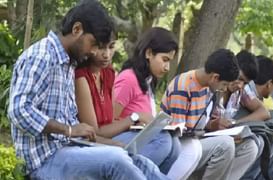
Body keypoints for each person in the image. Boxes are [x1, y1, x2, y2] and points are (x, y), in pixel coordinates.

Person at [7, 1, 167, 179]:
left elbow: (76, 134)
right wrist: (68, 129)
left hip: (69, 149)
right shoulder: (41, 56)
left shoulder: (68, 63)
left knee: (136, 159)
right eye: (93, 44)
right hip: (44, 161)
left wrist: (110, 143)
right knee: (116, 160)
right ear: (77, 29)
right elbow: (19, 111)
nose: (93, 52)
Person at [161, 49, 258, 180]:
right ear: (215, 77)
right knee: (225, 145)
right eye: (224, 84)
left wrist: (213, 126)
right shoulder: (183, 86)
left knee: (249, 145)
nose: (224, 89)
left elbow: (198, 121)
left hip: (195, 140)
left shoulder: (207, 87)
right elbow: (177, 132)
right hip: (177, 146)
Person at [112, 27, 180, 172]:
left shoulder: (147, 81)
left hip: (136, 137)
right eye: (165, 60)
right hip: (117, 140)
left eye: (170, 62)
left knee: (175, 145)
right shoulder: (128, 79)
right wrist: (135, 119)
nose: (167, 67)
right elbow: (109, 120)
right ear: (149, 53)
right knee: (163, 141)